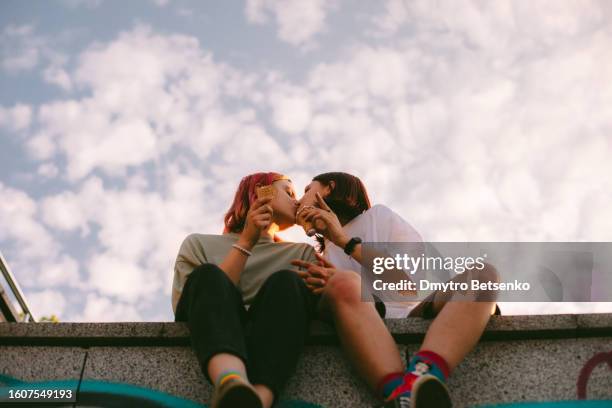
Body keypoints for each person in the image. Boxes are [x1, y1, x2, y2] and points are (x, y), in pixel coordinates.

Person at [291, 172, 499, 408]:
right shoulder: (319, 256)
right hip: (362, 323)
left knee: (483, 275)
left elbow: (407, 287)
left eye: (308, 189)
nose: (299, 199)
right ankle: (400, 395)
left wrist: (344, 241)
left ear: (328, 188)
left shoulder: (378, 216)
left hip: (408, 312)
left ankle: (420, 376)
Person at [172, 172, 320, 408]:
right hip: (214, 330)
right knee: (210, 274)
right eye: (289, 192)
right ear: (261, 191)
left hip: (276, 332)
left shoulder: (302, 253)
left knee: (287, 281)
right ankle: (231, 381)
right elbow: (192, 306)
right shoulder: (198, 243)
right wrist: (246, 242)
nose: (298, 201)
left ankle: (258, 399)